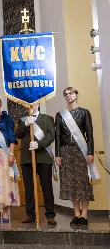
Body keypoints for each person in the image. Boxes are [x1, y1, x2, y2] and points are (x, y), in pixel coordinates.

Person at [55, 87, 94, 226]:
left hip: (81, 150)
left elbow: (89, 134)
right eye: (65, 94)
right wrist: (58, 155)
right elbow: (58, 136)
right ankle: (76, 214)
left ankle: (84, 214)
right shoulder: (60, 115)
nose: (68, 96)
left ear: (76, 95)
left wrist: (90, 152)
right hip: (65, 150)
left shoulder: (84, 112)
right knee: (71, 183)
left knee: (83, 182)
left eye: (70, 93)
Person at [15, 104, 57, 225]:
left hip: (43, 157)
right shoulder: (23, 120)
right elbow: (17, 134)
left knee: (46, 187)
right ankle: (30, 214)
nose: (30, 106)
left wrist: (39, 144)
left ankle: (50, 215)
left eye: (32, 103)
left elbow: (51, 135)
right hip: (27, 158)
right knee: (28, 188)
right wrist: (26, 125)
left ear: (38, 104)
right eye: (28, 104)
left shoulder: (47, 118)